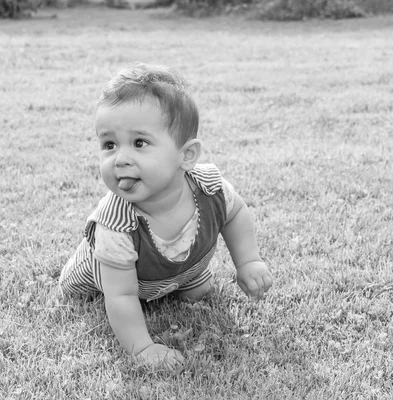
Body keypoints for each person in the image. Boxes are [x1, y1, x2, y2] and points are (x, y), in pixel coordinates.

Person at [59, 62, 273, 370]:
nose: (120, 159)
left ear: (186, 156)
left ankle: (180, 282)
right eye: (109, 144)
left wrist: (248, 261)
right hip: (104, 276)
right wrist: (143, 348)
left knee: (198, 289)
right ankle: (162, 288)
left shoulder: (209, 188)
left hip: (178, 267)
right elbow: (120, 296)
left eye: (139, 143)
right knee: (102, 292)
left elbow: (235, 212)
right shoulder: (116, 226)